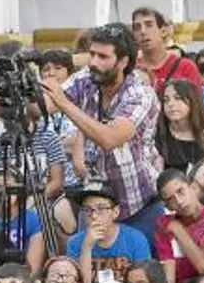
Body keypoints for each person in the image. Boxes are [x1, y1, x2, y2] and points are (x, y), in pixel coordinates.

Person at [41, 24, 164, 239]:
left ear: (123, 61)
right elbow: (45, 105)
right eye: (92, 54)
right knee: (88, 269)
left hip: (138, 207)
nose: (94, 63)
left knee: (141, 272)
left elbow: (109, 139)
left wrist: (64, 103)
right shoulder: (85, 79)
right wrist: (26, 93)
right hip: (94, 205)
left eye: (103, 57)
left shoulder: (140, 94)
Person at [131, 7, 204, 90]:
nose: (143, 31)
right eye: (137, 27)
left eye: (149, 25)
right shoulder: (129, 70)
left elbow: (196, 101)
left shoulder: (185, 67)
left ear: (162, 31)